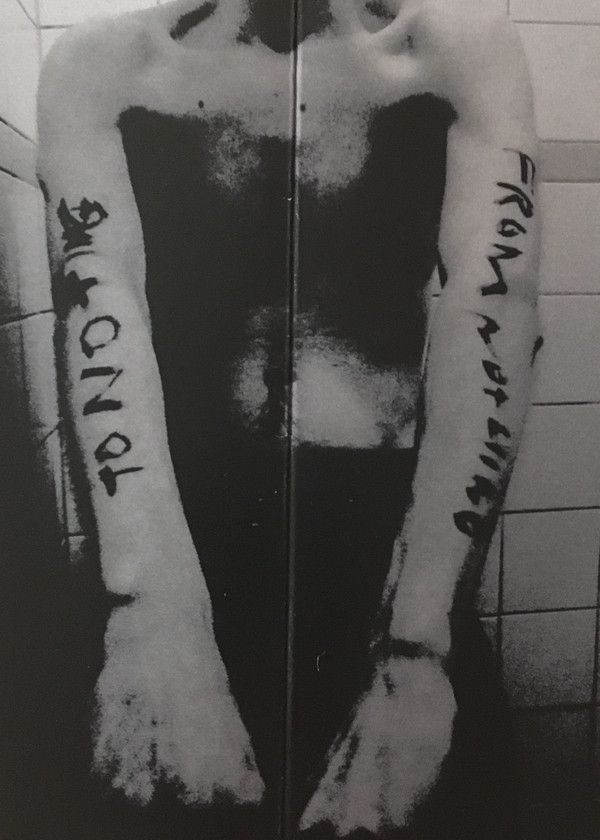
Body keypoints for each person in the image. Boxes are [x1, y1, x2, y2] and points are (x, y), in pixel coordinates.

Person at [37, 1, 541, 837]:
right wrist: (147, 610)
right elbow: (97, 304)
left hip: (393, 546)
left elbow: (494, 307)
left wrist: (418, 643)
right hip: (174, 538)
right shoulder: (102, 65)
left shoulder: (452, 49)